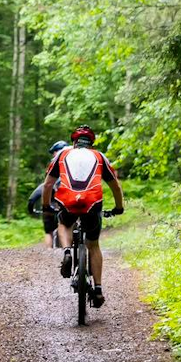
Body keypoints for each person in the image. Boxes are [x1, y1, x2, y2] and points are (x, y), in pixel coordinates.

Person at [41, 125, 125, 308]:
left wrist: (46, 206)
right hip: (92, 203)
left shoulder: (62, 156)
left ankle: (66, 252)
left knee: (64, 224)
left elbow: (47, 185)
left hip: (67, 200)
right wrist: (119, 208)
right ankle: (98, 289)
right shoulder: (99, 156)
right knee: (93, 245)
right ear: (91, 143)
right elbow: (116, 186)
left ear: (74, 142)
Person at [27, 140, 68, 248]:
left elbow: (44, 187)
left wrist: (31, 208)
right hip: (68, 202)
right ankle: (68, 249)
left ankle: (49, 253)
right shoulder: (72, 163)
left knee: (49, 231)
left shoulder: (53, 165)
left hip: (50, 205)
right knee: (66, 225)